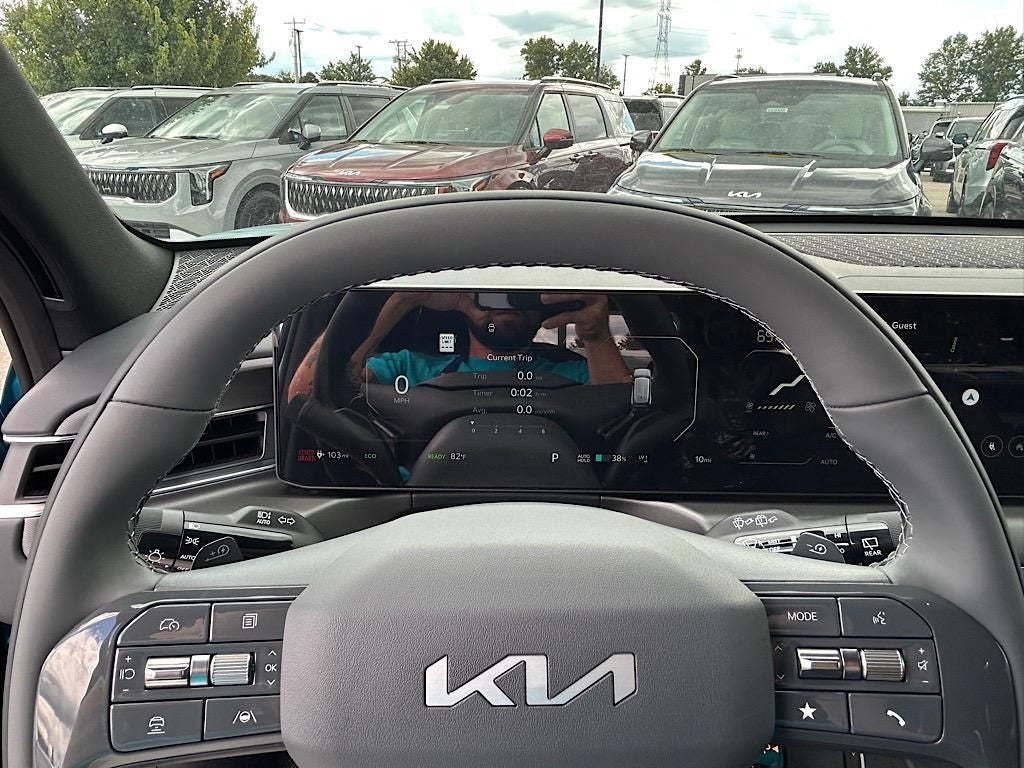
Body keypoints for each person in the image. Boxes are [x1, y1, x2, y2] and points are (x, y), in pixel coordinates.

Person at [287, 291, 631, 402]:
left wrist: (597, 336)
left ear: (545, 303)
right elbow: (304, 396)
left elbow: (627, 425)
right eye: (492, 291)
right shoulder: (407, 367)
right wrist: (406, 298)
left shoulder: (577, 371)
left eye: (521, 294)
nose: (506, 304)